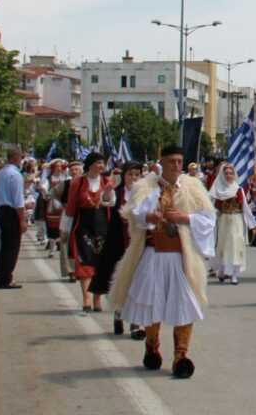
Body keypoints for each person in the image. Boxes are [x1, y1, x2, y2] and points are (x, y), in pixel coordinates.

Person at [110, 145, 215, 379]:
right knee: (152, 304)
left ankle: (181, 355)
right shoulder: (146, 187)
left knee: (186, 306)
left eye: (179, 161)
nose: (176, 166)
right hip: (154, 254)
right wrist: (148, 216)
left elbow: (208, 219)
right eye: (171, 162)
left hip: (181, 257)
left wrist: (185, 217)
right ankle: (152, 347)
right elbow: (132, 213)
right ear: (162, 163)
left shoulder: (193, 187)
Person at [90, 161, 143, 335]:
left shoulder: (146, 195)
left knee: (138, 282)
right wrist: (107, 189)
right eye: (130, 174)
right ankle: (119, 314)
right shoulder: (117, 193)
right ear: (124, 176)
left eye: (137, 174)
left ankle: (135, 322)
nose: (133, 178)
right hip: (119, 244)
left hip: (138, 244)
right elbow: (106, 201)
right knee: (121, 280)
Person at [65, 153, 115, 312]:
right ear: (91, 164)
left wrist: (107, 192)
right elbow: (71, 208)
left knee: (100, 264)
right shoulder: (77, 183)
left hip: (102, 226)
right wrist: (64, 229)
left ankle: (97, 299)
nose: (102, 166)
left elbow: (111, 202)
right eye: (99, 163)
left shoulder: (107, 181)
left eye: (103, 163)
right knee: (85, 261)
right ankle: (86, 298)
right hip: (83, 226)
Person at [209, 163, 254, 285]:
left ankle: (234, 274)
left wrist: (253, 224)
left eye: (231, 173)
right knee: (223, 245)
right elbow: (211, 205)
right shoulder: (218, 189)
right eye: (226, 173)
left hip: (237, 220)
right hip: (223, 220)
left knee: (235, 245)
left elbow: (245, 207)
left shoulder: (239, 189)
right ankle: (222, 271)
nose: (229, 175)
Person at [0, 148, 25, 289]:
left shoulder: (1, 172)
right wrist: (22, 220)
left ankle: (2, 277)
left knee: (5, 247)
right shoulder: (15, 175)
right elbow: (18, 200)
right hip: (11, 211)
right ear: (15, 158)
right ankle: (6, 279)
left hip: (2, 210)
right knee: (12, 247)